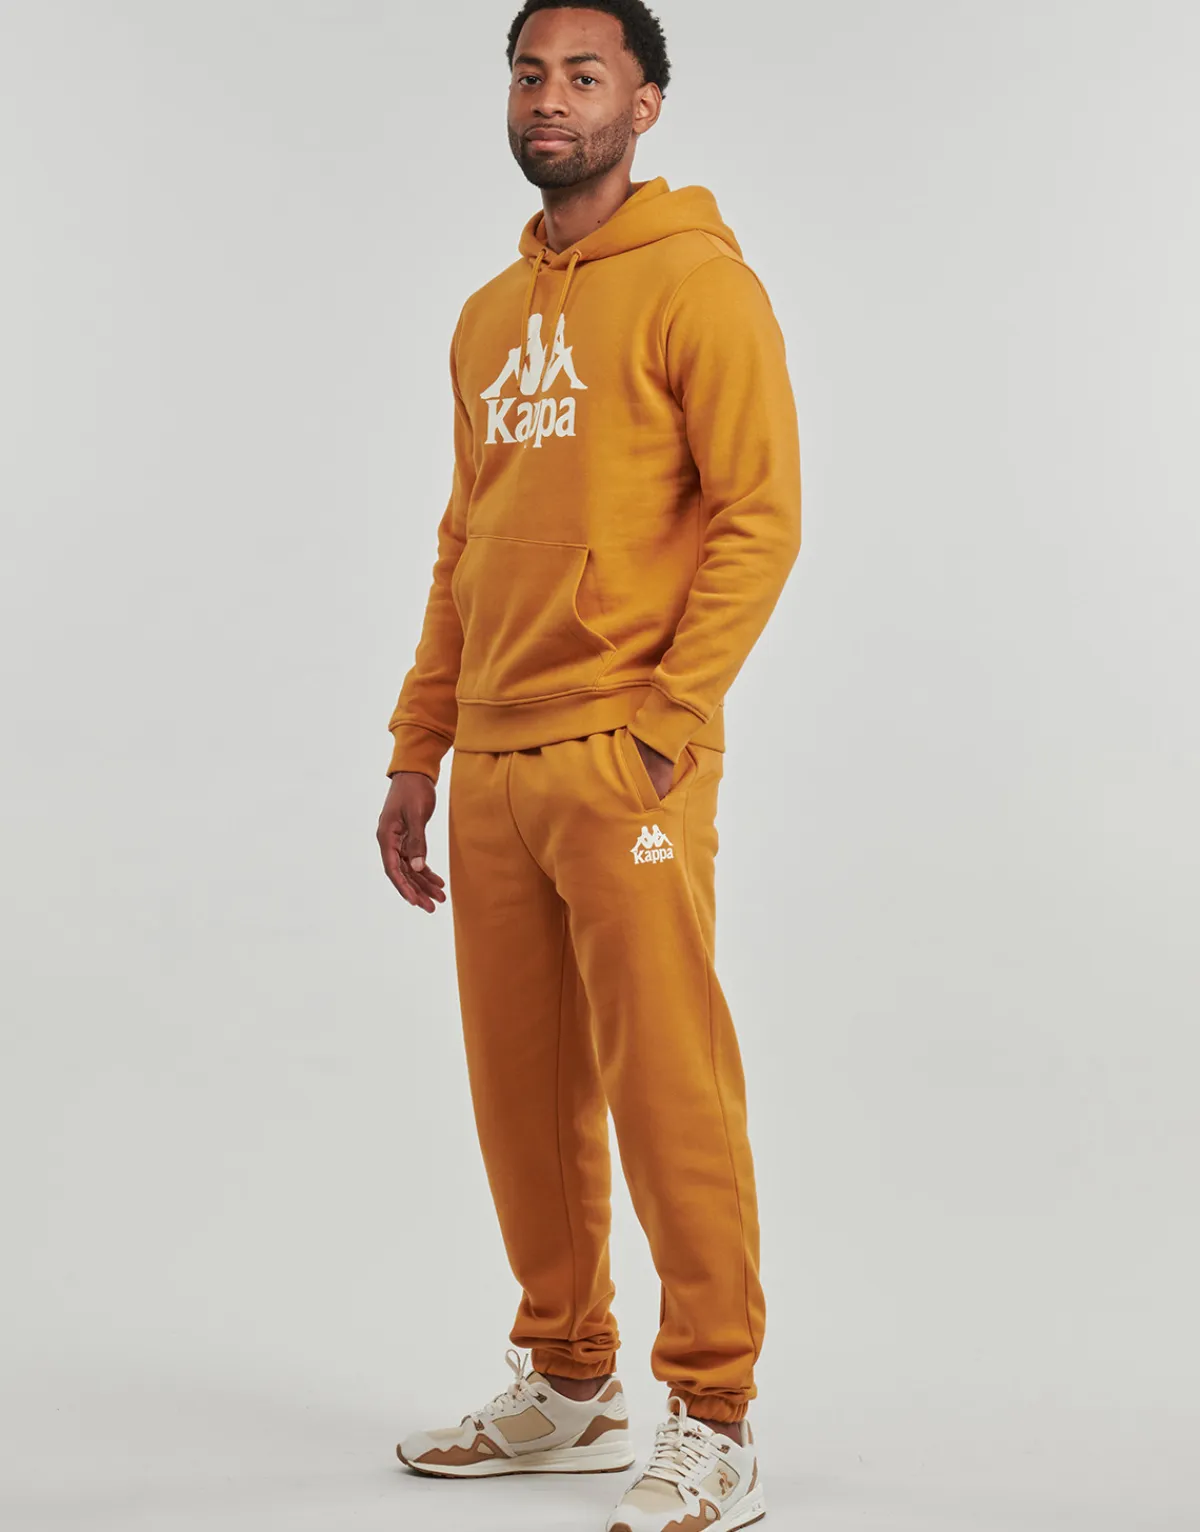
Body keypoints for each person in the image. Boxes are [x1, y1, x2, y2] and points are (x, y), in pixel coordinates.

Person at [377, 2, 801, 1526]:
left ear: (647, 103)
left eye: (585, 75)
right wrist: (418, 746)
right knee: (522, 1089)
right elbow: (464, 540)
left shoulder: (701, 285)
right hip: (492, 758)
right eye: (529, 74)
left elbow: (760, 517)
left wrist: (669, 723)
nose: (549, 98)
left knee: (667, 1082)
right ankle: (568, 1380)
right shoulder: (489, 315)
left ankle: (717, 1412)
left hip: (628, 755)